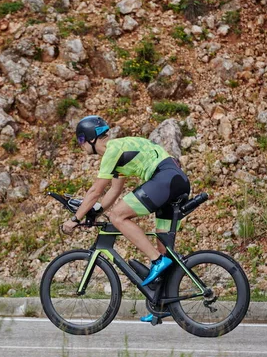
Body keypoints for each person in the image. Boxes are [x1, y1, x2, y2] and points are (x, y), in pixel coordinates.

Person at [62, 115, 191, 323]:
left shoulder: (111, 151)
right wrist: (94, 212)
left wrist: (75, 219)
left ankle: (157, 261)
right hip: (173, 181)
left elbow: (96, 190)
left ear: (91, 138)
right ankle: (162, 304)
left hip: (165, 178)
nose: (80, 146)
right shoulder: (118, 153)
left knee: (118, 216)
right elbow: (113, 191)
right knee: (163, 246)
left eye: (80, 140)